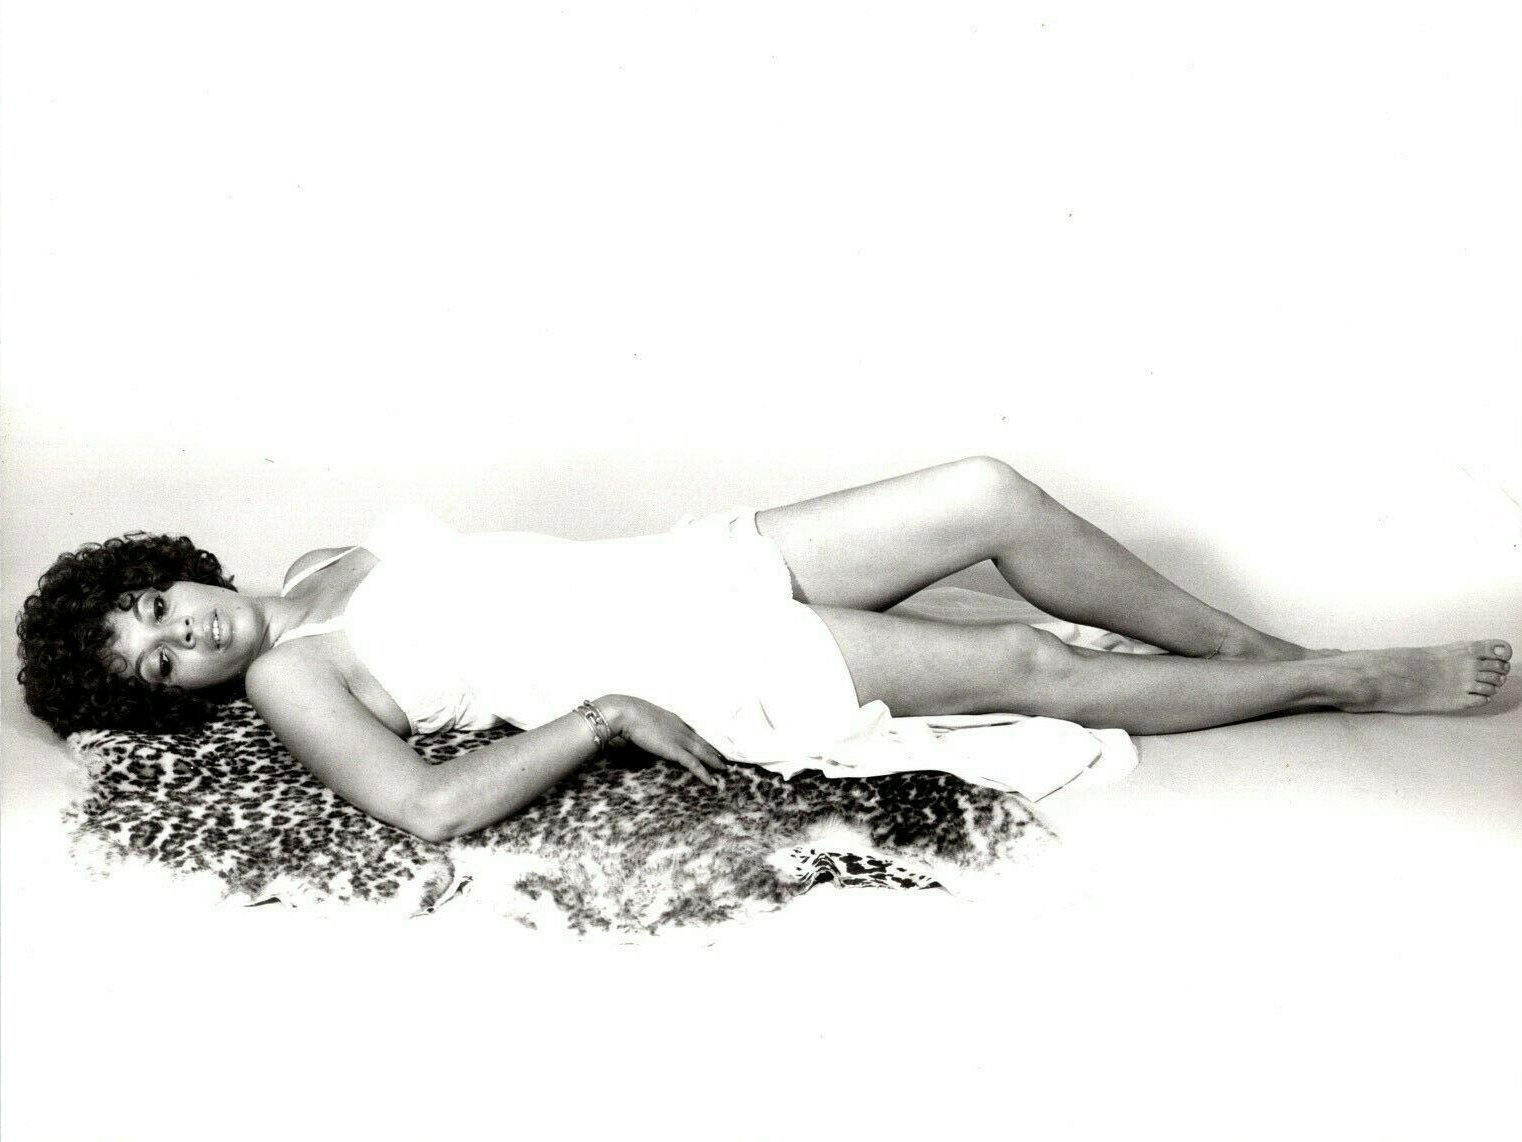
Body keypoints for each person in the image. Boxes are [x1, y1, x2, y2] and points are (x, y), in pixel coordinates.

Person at [17, 457, 1511, 842]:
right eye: (155, 664)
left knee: (985, 495)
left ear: (172, 571)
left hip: (699, 565)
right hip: (702, 658)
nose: (180, 633)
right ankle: (1340, 677)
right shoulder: (293, 678)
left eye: (153, 605)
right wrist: (603, 713)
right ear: (180, 695)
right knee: (1022, 668)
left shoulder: (310, 570)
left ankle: (1251, 648)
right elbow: (422, 803)